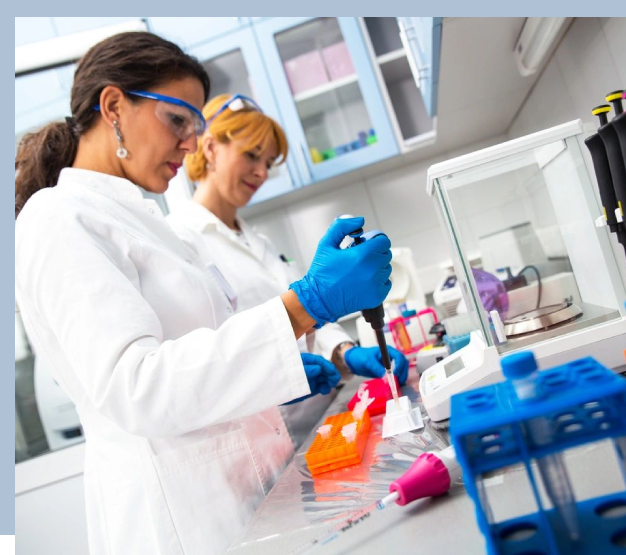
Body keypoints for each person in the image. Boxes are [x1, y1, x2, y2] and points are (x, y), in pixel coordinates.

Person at [14, 32, 392, 555]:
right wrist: (304, 304)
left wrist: (277, 374)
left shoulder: (147, 220)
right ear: (113, 106)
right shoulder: (58, 218)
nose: (191, 143)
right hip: (185, 521)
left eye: (197, 126)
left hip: (251, 493)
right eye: (178, 120)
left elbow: (204, 353)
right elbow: (137, 387)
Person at [166, 93, 409, 446]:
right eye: (251, 156)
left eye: (268, 162)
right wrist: (271, 382)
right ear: (209, 148)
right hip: (263, 440)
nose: (262, 173)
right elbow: (209, 361)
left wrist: (345, 352)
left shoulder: (258, 241)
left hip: (320, 425)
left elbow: (301, 316)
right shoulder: (181, 241)